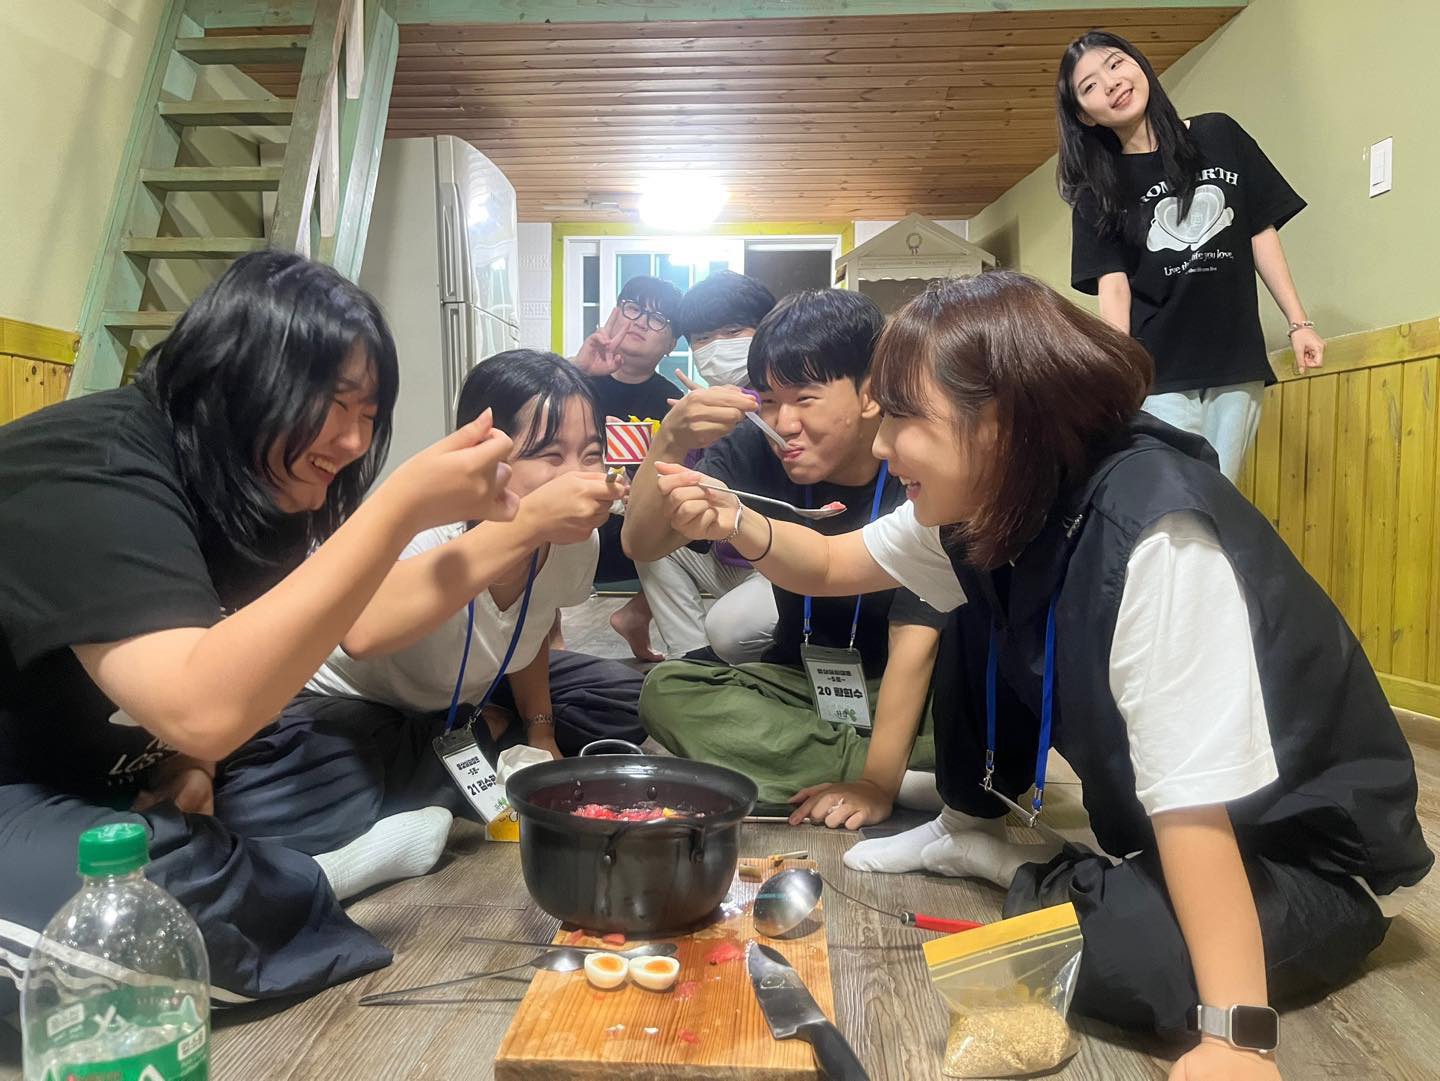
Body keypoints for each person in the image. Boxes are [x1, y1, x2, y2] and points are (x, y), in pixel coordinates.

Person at [651, 272, 1432, 1076]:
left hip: (1299, 851)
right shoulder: (993, 498)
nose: (883, 447)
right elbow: (827, 563)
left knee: (1131, 957)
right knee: (962, 592)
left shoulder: (1155, 532)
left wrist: (1233, 1038)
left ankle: (1019, 865)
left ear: (1002, 417)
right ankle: (975, 826)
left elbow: (1195, 805)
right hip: (1168, 828)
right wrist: (735, 518)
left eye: (906, 418)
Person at [0, 250, 517, 1013]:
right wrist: (403, 505)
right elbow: (204, 704)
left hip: (118, 779)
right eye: (335, 403)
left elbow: (207, 707)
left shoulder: (245, 485)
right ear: (241, 371)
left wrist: (192, 768)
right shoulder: (92, 466)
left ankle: (253, 868)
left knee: (347, 743)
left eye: (369, 414)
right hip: (24, 792)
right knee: (128, 916)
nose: (353, 440)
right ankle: (307, 878)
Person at [629, 289, 946, 822]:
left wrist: (873, 786)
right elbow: (642, 545)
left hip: (917, 686)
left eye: (805, 398)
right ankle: (919, 781)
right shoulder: (761, 446)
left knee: (991, 723)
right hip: (804, 681)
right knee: (666, 690)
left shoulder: (913, 466)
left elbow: (917, 640)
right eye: (769, 400)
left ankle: (829, 766)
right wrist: (670, 443)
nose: (783, 423)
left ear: (870, 395)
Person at [304, 349, 647, 758]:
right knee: (330, 768)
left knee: (629, 700)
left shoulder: (575, 540)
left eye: (591, 455)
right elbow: (361, 635)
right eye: (551, 455)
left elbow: (530, 629)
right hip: (360, 699)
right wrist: (529, 523)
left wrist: (541, 731)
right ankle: (469, 734)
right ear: (488, 456)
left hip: (468, 682)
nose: (579, 477)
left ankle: (471, 733)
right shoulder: (433, 531)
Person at [1058, 30, 1325, 481]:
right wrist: (1120, 370)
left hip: (1234, 357)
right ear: (1085, 115)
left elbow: (1259, 230)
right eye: (1090, 86)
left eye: (1115, 64)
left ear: (1138, 64)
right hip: (1156, 369)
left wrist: (1299, 323)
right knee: (1180, 493)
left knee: (1221, 488)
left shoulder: (1218, 134)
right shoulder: (1096, 193)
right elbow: (1114, 287)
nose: (1111, 83)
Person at [632, 271, 779, 660]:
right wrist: (675, 440)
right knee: (651, 544)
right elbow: (677, 493)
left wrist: (749, 417)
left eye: (732, 331)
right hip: (732, 560)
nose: (717, 347)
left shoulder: (788, 401)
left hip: (787, 560)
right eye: (702, 339)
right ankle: (691, 658)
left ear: (767, 330)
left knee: (728, 631)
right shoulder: (697, 410)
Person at [569, 275, 684, 661]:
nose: (639, 322)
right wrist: (578, 368)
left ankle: (637, 614)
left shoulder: (675, 403)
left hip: (637, 531)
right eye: (633, 308)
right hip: (574, 522)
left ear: (671, 344)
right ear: (615, 313)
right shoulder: (575, 383)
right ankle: (548, 636)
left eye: (657, 319)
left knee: (696, 518)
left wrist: (647, 491)